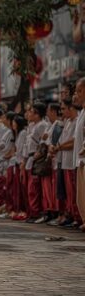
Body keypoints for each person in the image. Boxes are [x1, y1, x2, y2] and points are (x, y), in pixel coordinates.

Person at [51, 99, 80, 228]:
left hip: (72, 161)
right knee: (68, 192)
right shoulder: (67, 122)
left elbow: (73, 141)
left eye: (63, 109)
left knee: (74, 192)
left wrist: (59, 147)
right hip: (64, 161)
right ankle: (71, 215)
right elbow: (63, 141)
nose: (61, 112)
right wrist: (57, 147)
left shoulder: (76, 121)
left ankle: (77, 217)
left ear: (71, 108)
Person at [26, 102, 50, 223]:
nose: (28, 114)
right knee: (31, 188)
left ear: (37, 114)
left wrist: (39, 154)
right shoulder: (32, 125)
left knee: (35, 188)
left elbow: (44, 142)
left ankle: (38, 212)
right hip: (30, 159)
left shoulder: (42, 125)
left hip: (37, 159)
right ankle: (33, 212)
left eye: (31, 111)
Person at [41, 103, 63, 225]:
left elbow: (54, 143)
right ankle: (50, 211)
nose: (47, 113)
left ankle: (57, 212)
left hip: (56, 160)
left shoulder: (58, 125)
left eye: (48, 111)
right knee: (48, 190)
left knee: (54, 189)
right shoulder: (50, 126)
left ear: (54, 112)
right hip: (51, 161)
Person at [11, 115, 29, 221]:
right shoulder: (18, 134)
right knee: (17, 188)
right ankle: (19, 209)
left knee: (22, 188)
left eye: (14, 122)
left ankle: (24, 210)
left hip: (21, 163)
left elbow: (22, 149)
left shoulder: (22, 133)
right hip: (17, 163)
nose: (13, 124)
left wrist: (22, 162)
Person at [73, 77, 85, 232]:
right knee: (80, 196)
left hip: (84, 158)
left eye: (80, 91)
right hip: (80, 159)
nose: (76, 94)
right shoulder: (82, 112)